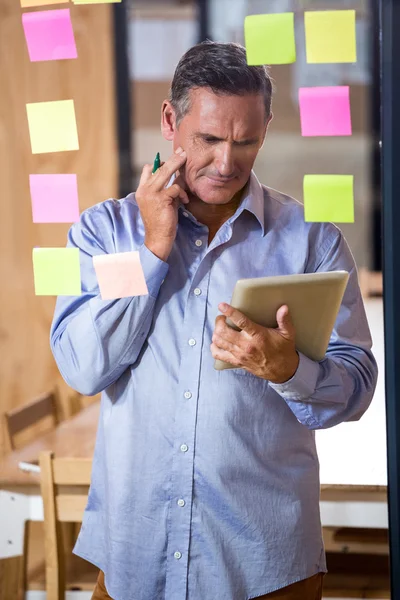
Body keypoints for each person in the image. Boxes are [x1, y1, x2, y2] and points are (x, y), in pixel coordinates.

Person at [50, 41, 378, 600]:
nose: (227, 163)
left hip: (267, 566)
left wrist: (290, 369)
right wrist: (154, 250)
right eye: (209, 139)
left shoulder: (311, 241)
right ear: (171, 121)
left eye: (246, 141)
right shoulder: (106, 235)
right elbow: (85, 368)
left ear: (266, 128)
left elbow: (357, 384)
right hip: (135, 561)